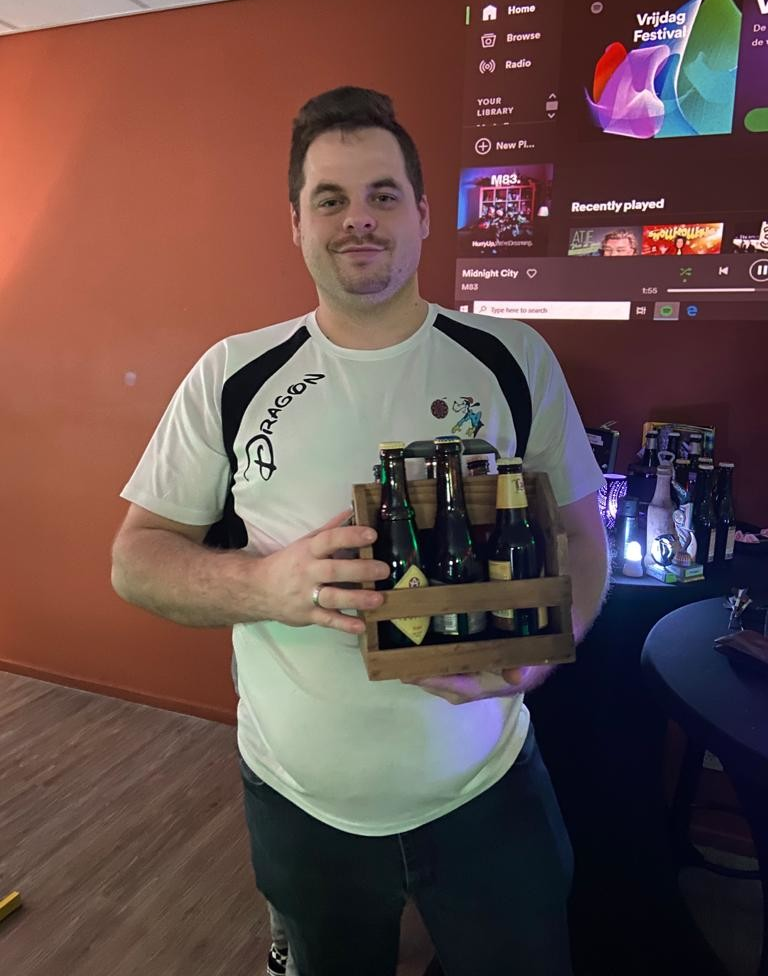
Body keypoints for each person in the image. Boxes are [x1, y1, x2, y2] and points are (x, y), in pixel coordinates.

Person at [112, 86, 609, 976]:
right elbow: (135, 560)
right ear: (295, 222)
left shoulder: (513, 358)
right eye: (330, 199)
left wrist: (540, 654)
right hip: (301, 805)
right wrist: (264, 585)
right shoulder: (232, 374)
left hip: (490, 793)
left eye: (383, 194)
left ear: (424, 214)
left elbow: (583, 540)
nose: (359, 220)